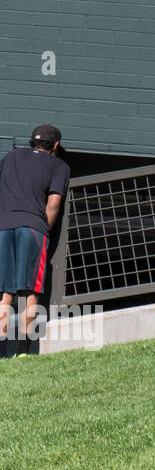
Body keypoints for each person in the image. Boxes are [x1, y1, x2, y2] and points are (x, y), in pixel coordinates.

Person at [0, 126, 70, 356]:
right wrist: (44, 230)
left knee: (5, 294)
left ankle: (1, 352)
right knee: (30, 292)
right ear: (56, 146)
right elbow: (53, 204)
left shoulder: (11, 157)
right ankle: (23, 351)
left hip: (4, 226)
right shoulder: (59, 166)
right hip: (32, 229)